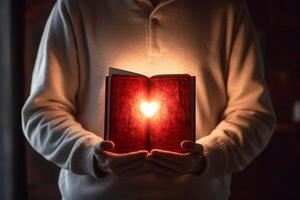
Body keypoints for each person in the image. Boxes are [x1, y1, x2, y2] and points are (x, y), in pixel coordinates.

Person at [22, 0, 276, 199]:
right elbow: (42, 113)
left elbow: (254, 115)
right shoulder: (75, 6)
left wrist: (206, 157)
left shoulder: (226, 8)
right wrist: (90, 154)